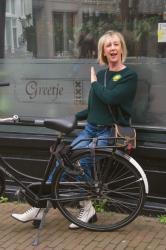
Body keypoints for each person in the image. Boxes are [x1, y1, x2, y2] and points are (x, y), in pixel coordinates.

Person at [11, 30, 138, 229]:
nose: (113, 48)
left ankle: (84, 207)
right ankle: (42, 206)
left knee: (81, 161)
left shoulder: (128, 75)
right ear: (103, 51)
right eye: (108, 45)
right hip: (90, 130)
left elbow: (111, 99)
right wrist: (71, 118)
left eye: (116, 44)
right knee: (64, 160)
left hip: (108, 131)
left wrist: (94, 83)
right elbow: (95, 107)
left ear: (122, 48)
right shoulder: (103, 74)